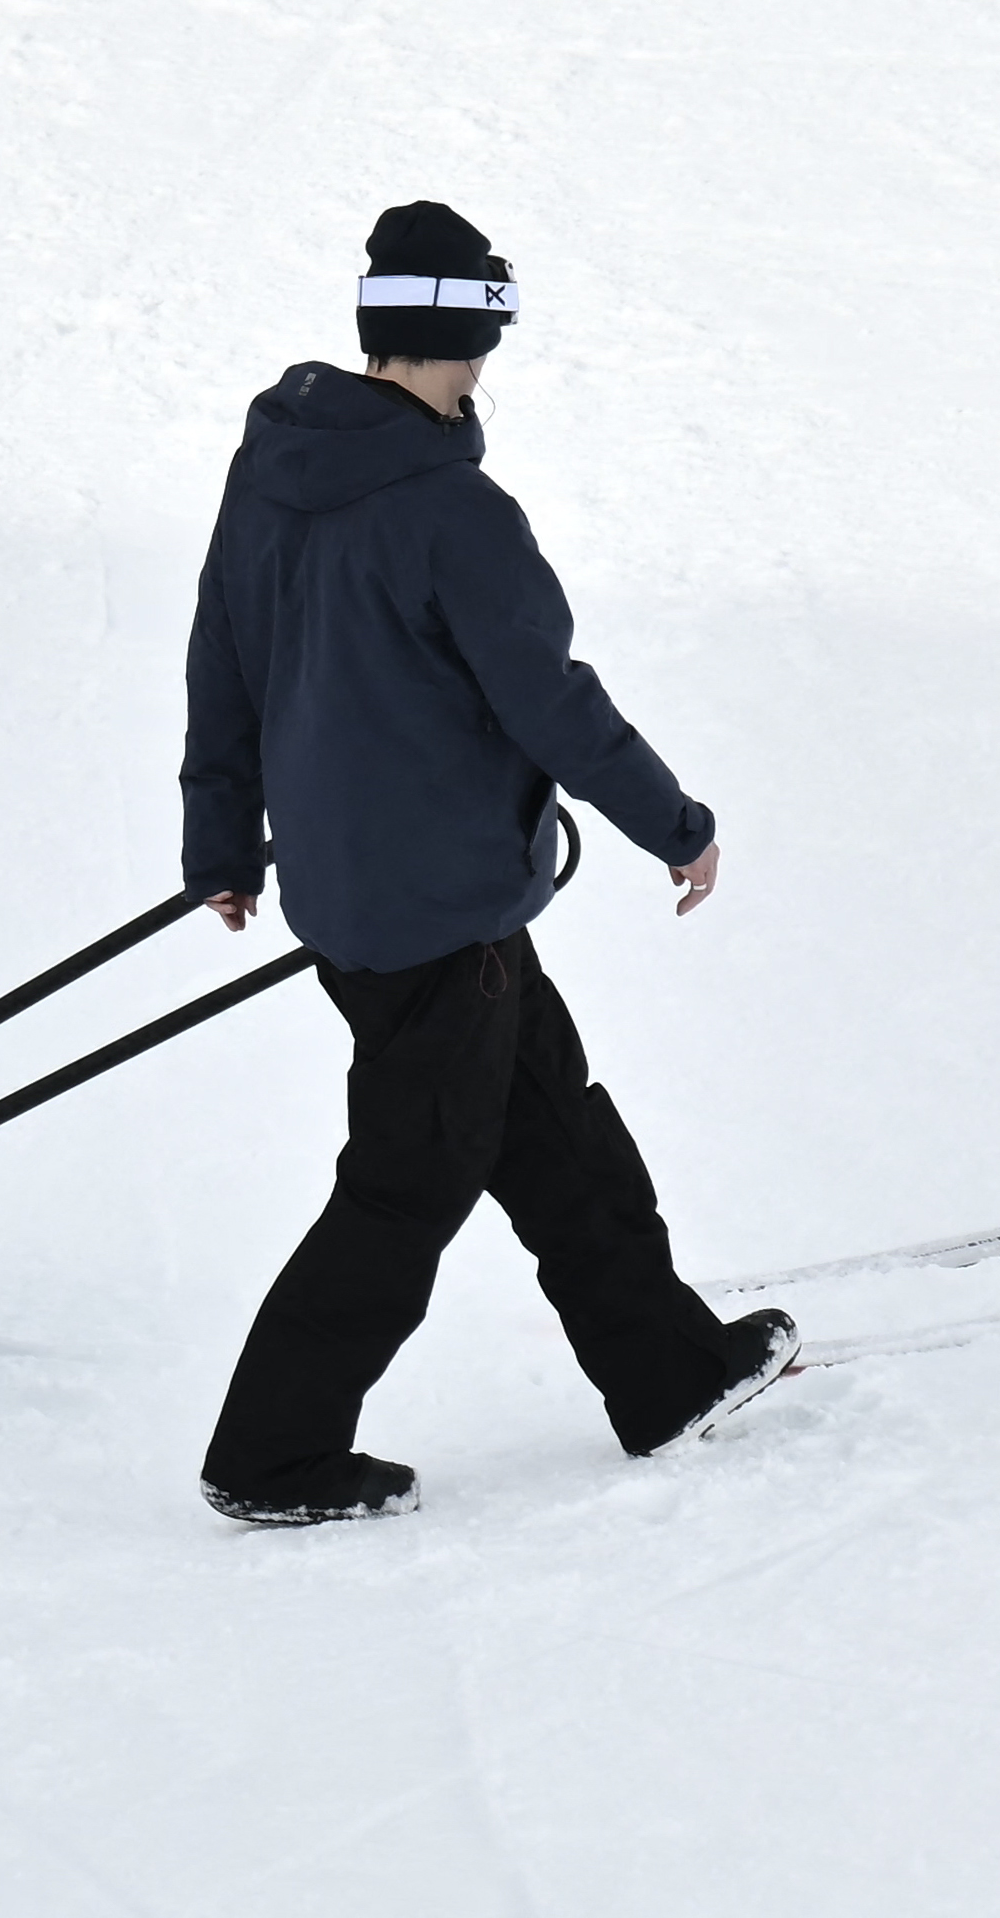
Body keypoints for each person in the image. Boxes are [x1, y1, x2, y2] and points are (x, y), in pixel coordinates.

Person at [180, 204, 796, 1524]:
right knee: (407, 1184)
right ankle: (270, 1456)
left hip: (366, 897)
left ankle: (671, 1374)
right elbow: (551, 704)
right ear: (464, 332)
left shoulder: (275, 467)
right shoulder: (452, 510)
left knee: (557, 1134)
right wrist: (673, 821)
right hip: (433, 915)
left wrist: (222, 842)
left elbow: (222, 662)